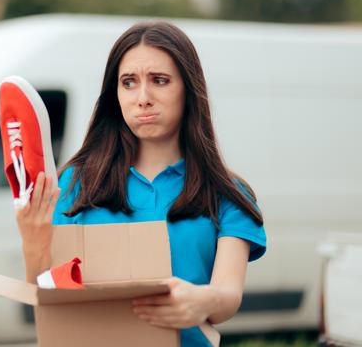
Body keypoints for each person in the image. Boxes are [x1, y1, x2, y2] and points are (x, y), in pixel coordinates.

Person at [14, 21, 266, 346]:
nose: (142, 98)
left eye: (159, 81)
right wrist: (32, 243)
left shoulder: (226, 193)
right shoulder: (76, 183)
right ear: (114, 94)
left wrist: (202, 302)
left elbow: (227, 295)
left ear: (188, 89)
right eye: (129, 82)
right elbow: (47, 294)